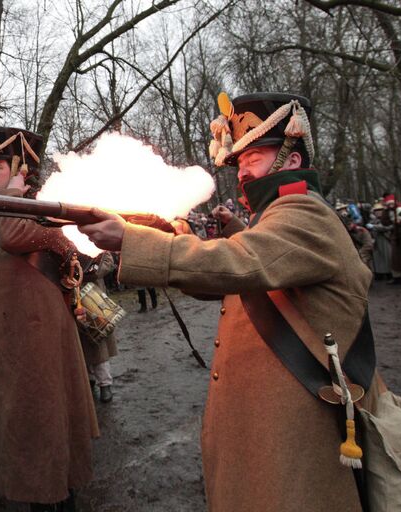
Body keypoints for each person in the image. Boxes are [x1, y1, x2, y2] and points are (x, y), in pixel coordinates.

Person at [78, 93, 372, 511]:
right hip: (271, 418)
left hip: (297, 425)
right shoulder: (275, 218)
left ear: (291, 160)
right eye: (240, 162)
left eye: (254, 157)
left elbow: (238, 264)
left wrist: (132, 239)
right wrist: (176, 234)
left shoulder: (305, 214)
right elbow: (220, 280)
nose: (244, 172)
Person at [0, 126, 99, 510]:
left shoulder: (38, 205)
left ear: (21, 168)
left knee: (44, 423)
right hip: (20, 335)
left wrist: (12, 191)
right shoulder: (18, 206)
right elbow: (9, 261)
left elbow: (13, 239)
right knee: (32, 427)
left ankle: (56, 496)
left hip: (36, 338)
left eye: (0, 167)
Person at [80, 251, 118, 403]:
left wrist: (90, 271)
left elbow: (107, 262)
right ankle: (89, 381)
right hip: (71, 297)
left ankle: (105, 384)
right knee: (80, 345)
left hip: (93, 296)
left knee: (98, 343)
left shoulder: (91, 241)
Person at [369, 201, 392, 280]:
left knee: (387, 256)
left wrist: (375, 227)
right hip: (376, 240)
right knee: (377, 257)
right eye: (376, 211)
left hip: (386, 239)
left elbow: (389, 227)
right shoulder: (373, 220)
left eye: (380, 210)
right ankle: (379, 273)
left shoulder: (387, 219)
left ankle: (389, 273)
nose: (378, 212)